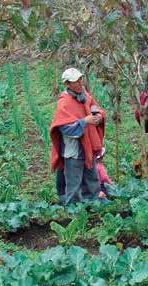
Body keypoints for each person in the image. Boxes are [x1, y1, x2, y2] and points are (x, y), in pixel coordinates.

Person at [49, 68, 106, 204]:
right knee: (73, 183)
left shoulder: (85, 96)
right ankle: (73, 210)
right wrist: (84, 122)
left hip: (88, 146)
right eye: (76, 81)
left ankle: (93, 204)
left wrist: (99, 116)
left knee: (92, 179)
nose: (80, 83)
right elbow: (64, 128)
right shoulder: (64, 103)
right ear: (67, 84)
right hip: (73, 149)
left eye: (81, 79)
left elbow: (96, 109)